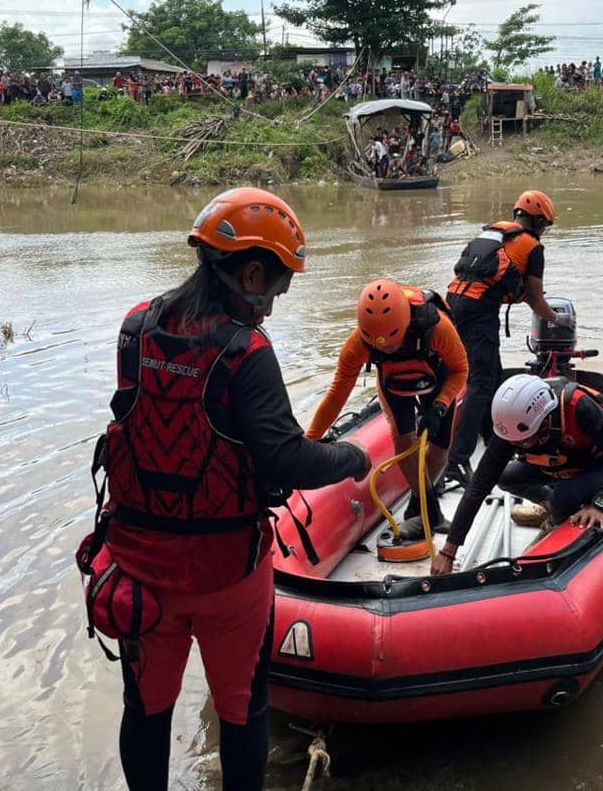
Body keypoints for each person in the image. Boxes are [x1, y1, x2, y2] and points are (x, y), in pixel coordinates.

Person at [77, 187, 371, 791]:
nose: (271, 309)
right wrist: (350, 456)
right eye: (276, 292)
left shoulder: (136, 327)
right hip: (227, 574)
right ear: (253, 272)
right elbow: (287, 457)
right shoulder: (246, 351)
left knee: (147, 710)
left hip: (137, 570)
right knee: (242, 710)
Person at [306, 280, 468, 541]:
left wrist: (440, 406)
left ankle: (418, 504)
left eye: (392, 342)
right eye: (379, 346)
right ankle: (431, 514)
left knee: (439, 449)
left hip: (438, 379)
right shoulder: (358, 343)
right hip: (394, 383)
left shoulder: (438, 327)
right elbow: (337, 393)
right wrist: (310, 439)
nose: (387, 348)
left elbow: (461, 370)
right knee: (403, 440)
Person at [431, 373, 603, 576]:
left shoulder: (578, 407)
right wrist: (448, 552)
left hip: (600, 463)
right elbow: (479, 486)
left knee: (565, 496)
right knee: (505, 476)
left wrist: (600, 503)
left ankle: (554, 522)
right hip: (563, 461)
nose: (514, 446)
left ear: (545, 422)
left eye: (522, 441)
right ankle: (550, 507)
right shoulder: (513, 427)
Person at [443, 191, 570, 488]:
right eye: (544, 225)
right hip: (479, 311)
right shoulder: (532, 247)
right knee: (482, 382)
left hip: (453, 304)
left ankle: (489, 440)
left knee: (487, 375)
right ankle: (458, 461)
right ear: (537, 220)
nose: (543, 230)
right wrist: (558, 319)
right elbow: (537, 302)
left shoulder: (490, 233)